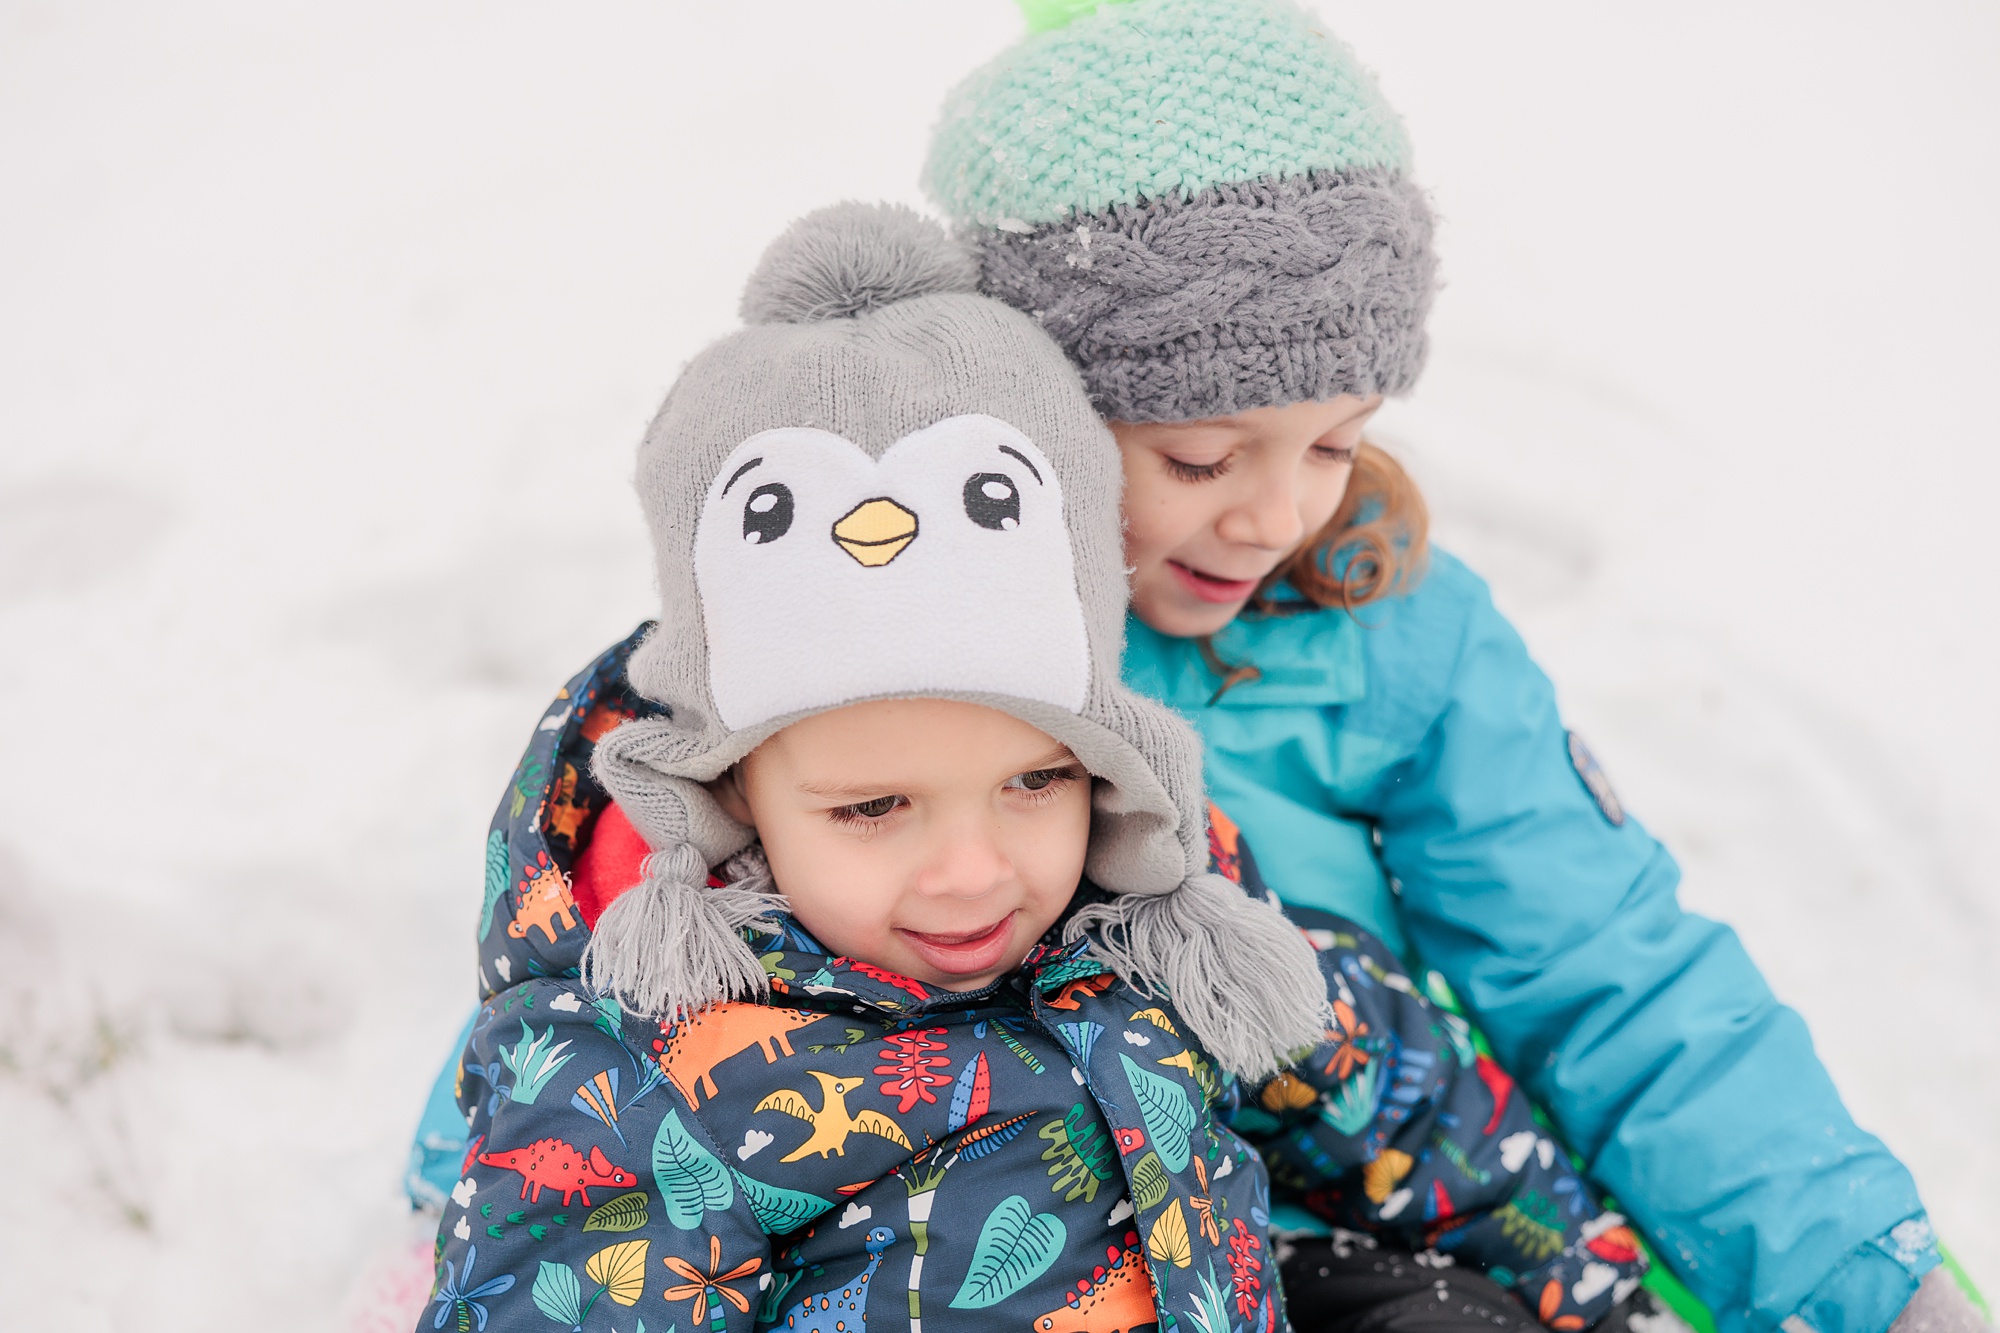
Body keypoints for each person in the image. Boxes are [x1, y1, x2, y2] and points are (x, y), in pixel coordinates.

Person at [915, 5, 1988, 1333]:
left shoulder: (1388, 627)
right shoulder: (898, 622)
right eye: (1202, 457)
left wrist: (1864, 1285)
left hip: (1354, 1236)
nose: (1275, 518)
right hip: (1004, 1253)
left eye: (1333, 443)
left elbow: (1609, 974)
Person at [421, 203, 1650, 1333]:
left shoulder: (1160, 914)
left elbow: (1384, 1092)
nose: (973, 873)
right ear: (733, 794)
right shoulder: (654, 1062)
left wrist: (1587, 1287)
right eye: (872, 808)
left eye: (1035, 782)